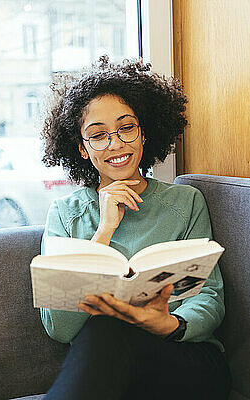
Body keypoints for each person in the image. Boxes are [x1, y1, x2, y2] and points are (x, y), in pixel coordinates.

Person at [38, 55, 231, 399]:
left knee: (110, 328)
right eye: (98, 135)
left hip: (183, 356)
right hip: (113, 366)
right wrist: (104, 232)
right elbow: (60, 328)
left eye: (126, 128)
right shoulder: (66, 214)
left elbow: (209, 295)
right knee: (109, 326)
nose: (115, 144)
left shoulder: (186, 202)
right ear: (82, 149)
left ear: (144, 133)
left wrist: (168, 323)